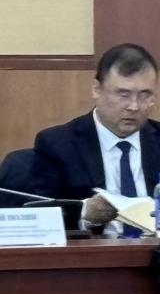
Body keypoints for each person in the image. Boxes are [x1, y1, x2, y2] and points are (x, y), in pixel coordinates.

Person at [29, 43, 160, 236]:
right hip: (93, 252)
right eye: (123, 94)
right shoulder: (58, 144)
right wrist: (85, 213)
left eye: (144, 95)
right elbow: (39, 217)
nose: (134, 106)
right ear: (97, 89)